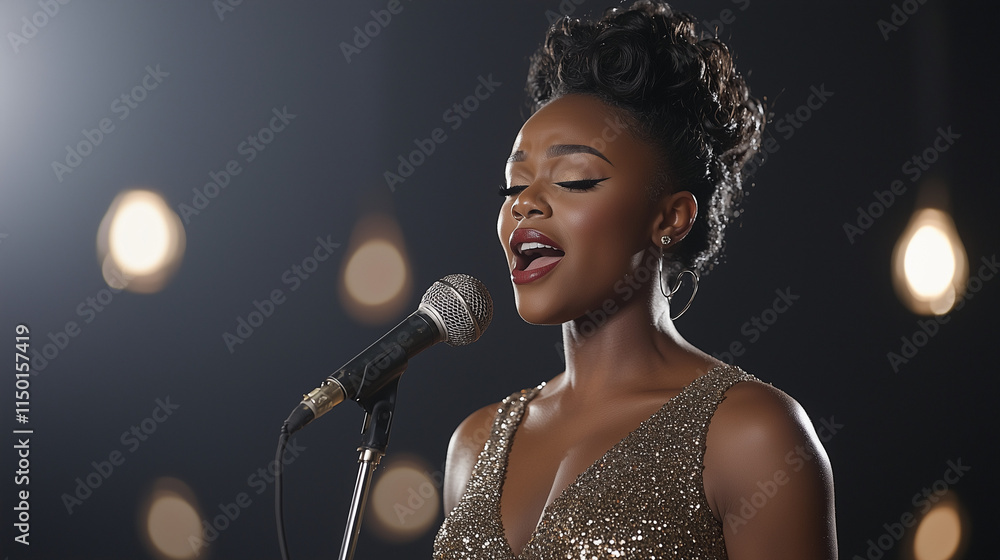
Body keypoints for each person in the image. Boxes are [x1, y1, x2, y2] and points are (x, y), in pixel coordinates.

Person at [433, 2, 837, 558]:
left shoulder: (750, 434)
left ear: (670, 218)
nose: (524, 204)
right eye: (514, 186)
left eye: (575, 180)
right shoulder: (474, 444)